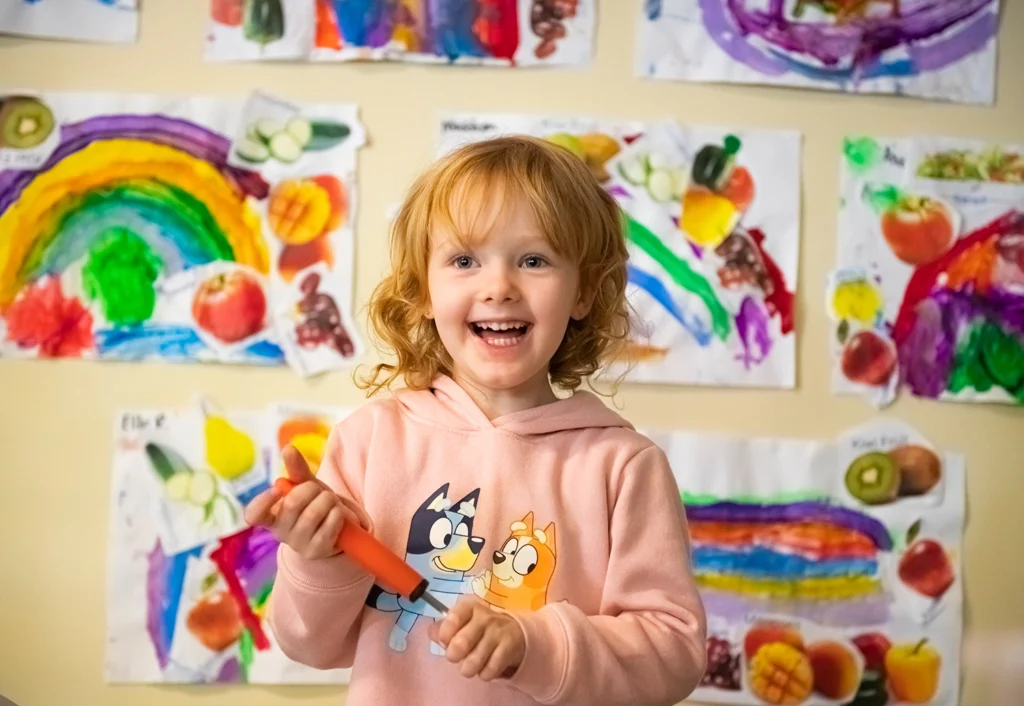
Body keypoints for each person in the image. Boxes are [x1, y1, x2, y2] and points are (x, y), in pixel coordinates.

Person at [244, 135, 708, 705]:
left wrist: (533, 646)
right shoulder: (370, 440)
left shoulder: (623, 466)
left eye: (534, 260)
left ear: (583, 291)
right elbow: (307, 644)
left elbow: (673, 655)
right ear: (423, 291)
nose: (498, 288)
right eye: (465, 260)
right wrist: (317, 556)